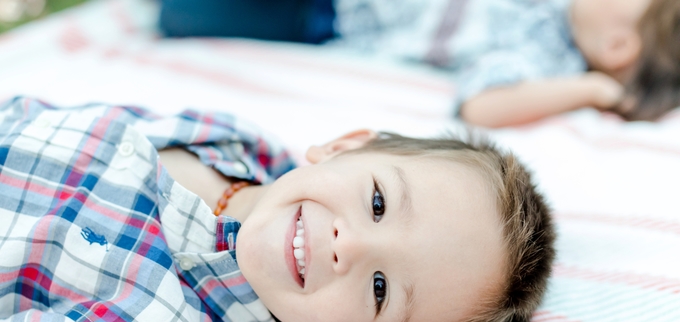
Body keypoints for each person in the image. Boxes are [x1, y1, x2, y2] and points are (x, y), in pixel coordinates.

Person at [0, 97, 554, 322]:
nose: (351, 246)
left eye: (381, 289)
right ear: (345, 146)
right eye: (379, 202)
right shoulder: (227, 136)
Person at [160, 0, 680, 126]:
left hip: (334, 15)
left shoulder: (544, 54)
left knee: (184, 12)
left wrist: (590, 90)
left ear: (618, 47)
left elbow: (483, 106)